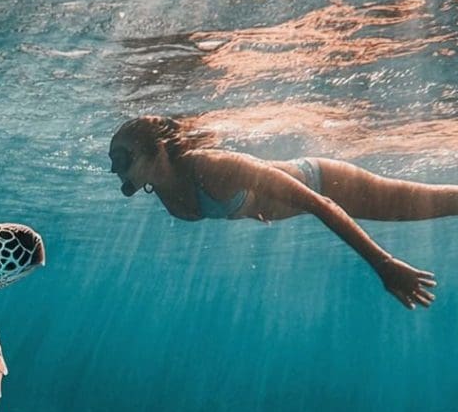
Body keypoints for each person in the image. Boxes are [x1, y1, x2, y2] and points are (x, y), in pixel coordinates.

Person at [108, 115, 458, 309]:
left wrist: (383, 264)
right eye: (112, 161)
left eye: (122, 158)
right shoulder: (163, 190)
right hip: (304, 200)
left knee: (431, 205)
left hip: (325, 182)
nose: (115, 169)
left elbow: (321, 204)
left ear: (156, 152)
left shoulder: (212, 167)